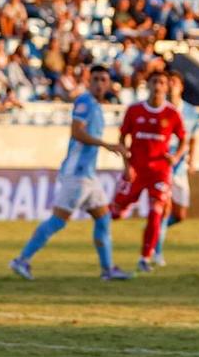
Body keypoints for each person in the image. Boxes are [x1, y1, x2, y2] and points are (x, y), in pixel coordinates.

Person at [9, 65, 131, 282]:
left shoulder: (96, 106)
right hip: (77, 174)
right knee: (58, 220)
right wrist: (106, 145)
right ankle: (21, 260)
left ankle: (108, 269)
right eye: (96, 79)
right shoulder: (84, 102)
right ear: (89, 81)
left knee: (103, 218)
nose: (100, 84)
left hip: (88, 175)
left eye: (104, 79)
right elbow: (77, 132)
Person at [110, 69, 185, 273]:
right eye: (154, 82)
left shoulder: (172, 113)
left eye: (162, 82)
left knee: (156, 212)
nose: (158, 86)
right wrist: (126, 166)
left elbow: (184, 139)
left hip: (160, 171)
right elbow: (122, 139)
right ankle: (122, 210)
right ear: (148, 85)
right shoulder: (134, 110)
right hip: (136, 170)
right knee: (114, 213)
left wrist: (176, 157)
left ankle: (145, 257)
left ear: (167, 86)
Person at [159, 71, 199, 266]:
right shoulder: (160, 109)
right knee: (164, 209)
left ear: (181, 86)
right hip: (163, 166)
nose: (171, 85)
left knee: (180, 215)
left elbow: (192, 138)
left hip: (180, 168)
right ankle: (155, 252)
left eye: (174, 82)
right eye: (168, 82)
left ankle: (154, 229)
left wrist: (192, 160)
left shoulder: (191, 112)